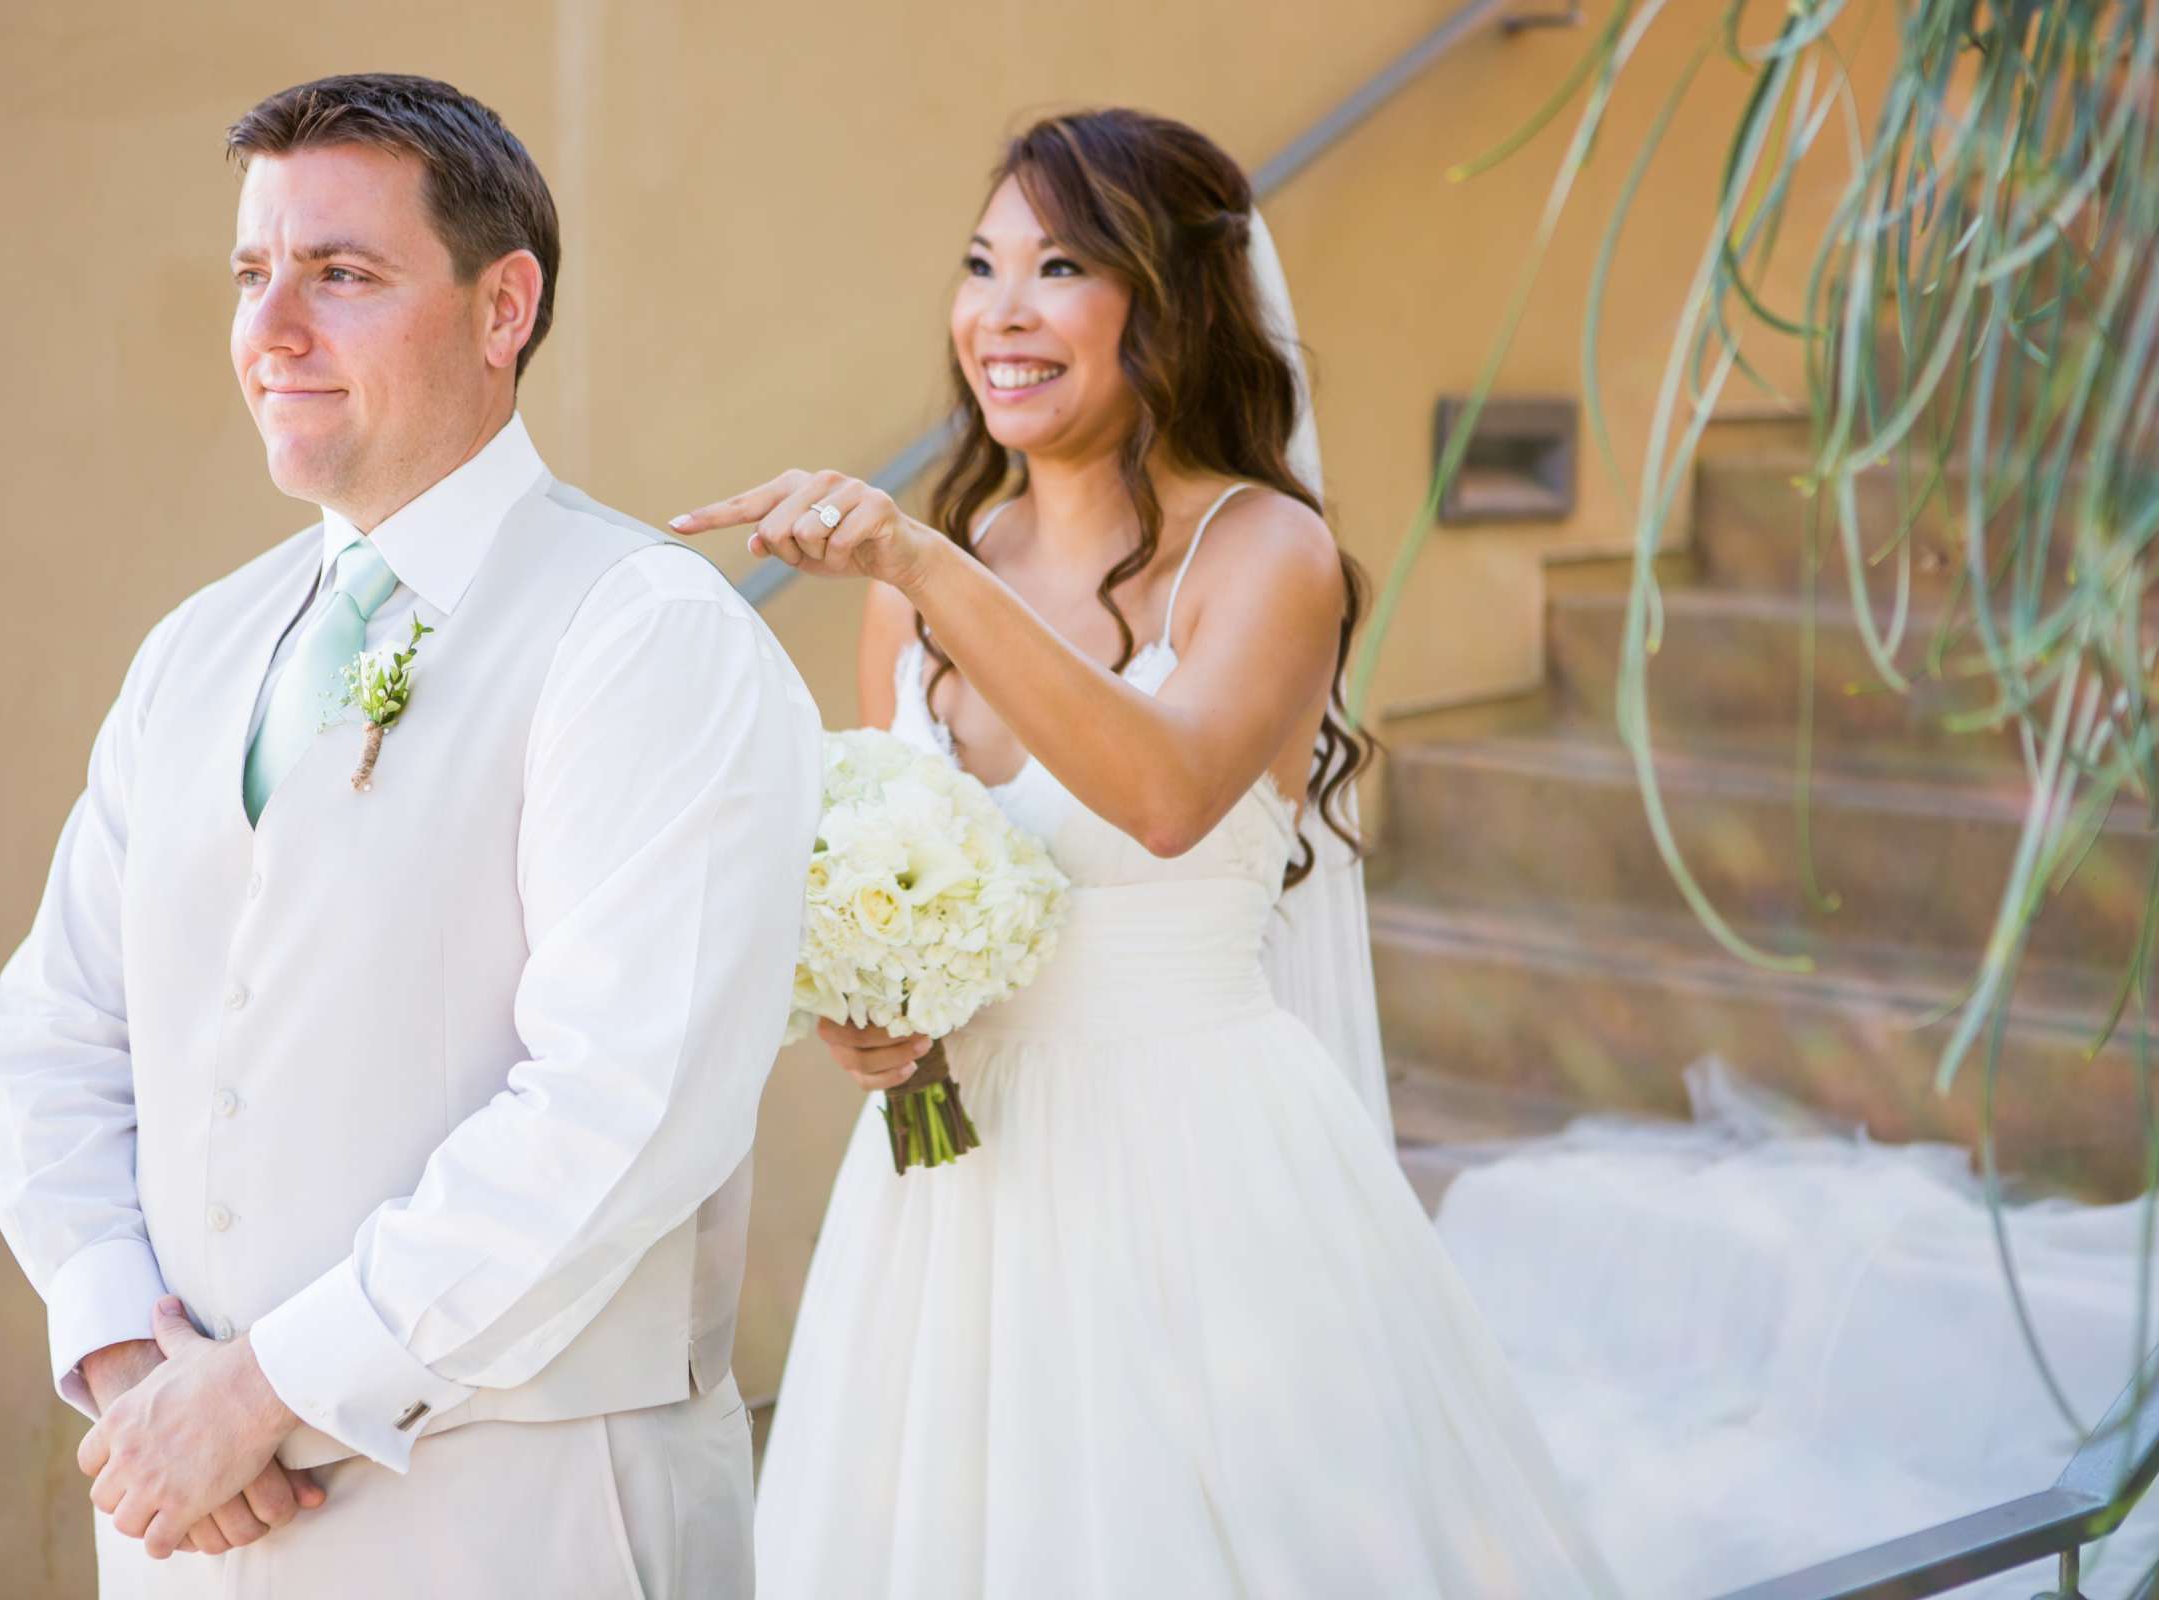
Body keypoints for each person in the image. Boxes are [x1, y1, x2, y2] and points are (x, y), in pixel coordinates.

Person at [671, 107, 1624, 1597]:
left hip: (1192, 1174)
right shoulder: (915, 593)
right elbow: (887, 855)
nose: (1002, 312)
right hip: (951, 1198)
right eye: (982, 266)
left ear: (1164, 307)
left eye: (1059, 267)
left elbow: (1163, 794)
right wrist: (877, 1020)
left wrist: (923, 562)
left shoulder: (1267, 556)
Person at [0, 72, 819, 1597]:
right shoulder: (192, 649)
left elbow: (618, 1111)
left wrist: (264, 1391)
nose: (272, 330)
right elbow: (55, 1036)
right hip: (182, 1518)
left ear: (505, 308)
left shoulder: (641, 637)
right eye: (253, 274)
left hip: (520, 1519)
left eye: (342, 276)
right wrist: (123, 1355)